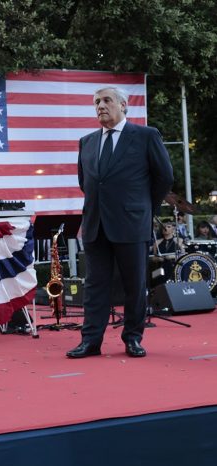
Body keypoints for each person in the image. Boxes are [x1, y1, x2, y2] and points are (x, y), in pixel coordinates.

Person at [68, 86, 173, 359]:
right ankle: (91, 341)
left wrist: (143, 207)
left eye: (106, 100)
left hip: (132, 222)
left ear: (123, 105)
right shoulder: (87, 142)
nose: (100, 106)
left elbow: (164, 178)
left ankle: (133, 338)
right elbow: (86, 183)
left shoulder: (146, 136)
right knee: (94, 286)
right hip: (95, 224)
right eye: (96, 102)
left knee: (134, 284)